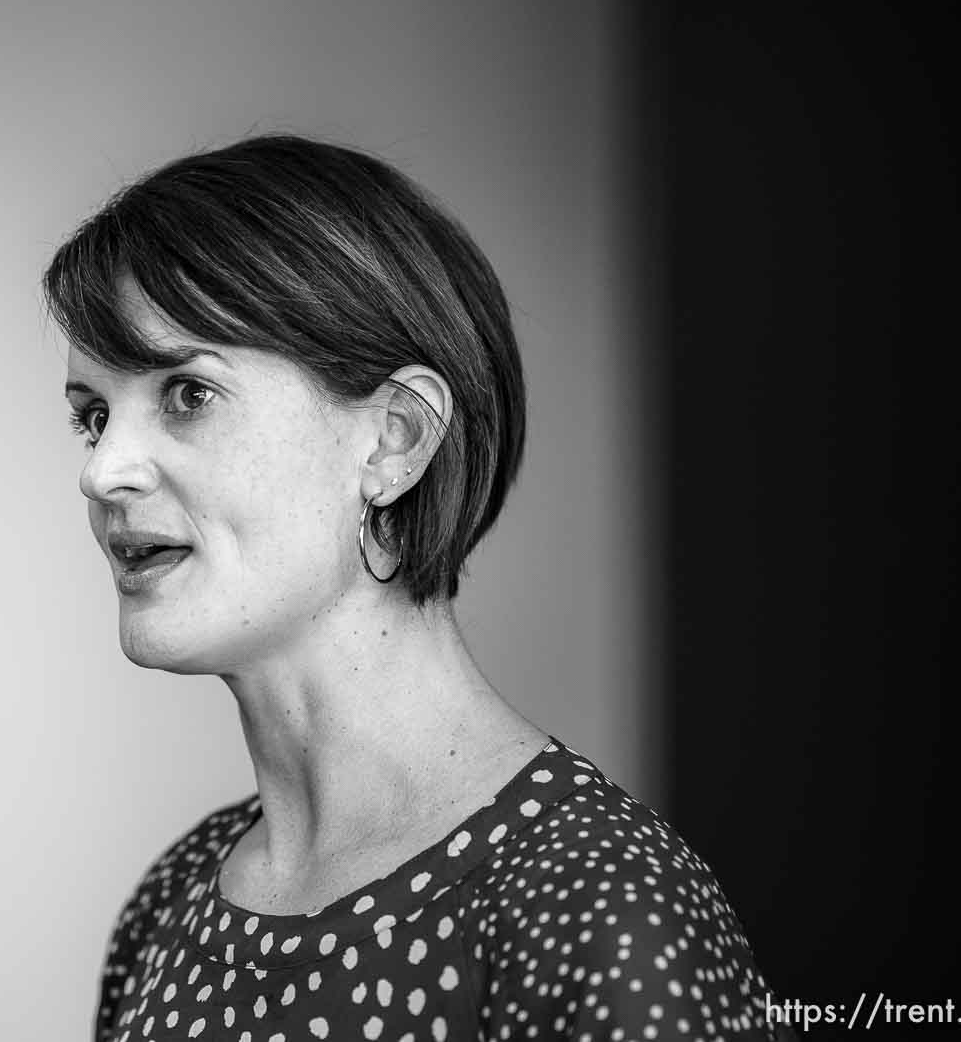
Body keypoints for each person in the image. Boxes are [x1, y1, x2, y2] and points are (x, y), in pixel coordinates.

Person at [44, 135, 791, 1042]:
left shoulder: (598, 907)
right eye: (93, 416)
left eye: (187, 394)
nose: (104, 471)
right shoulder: (175, 899)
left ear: (394, 440)